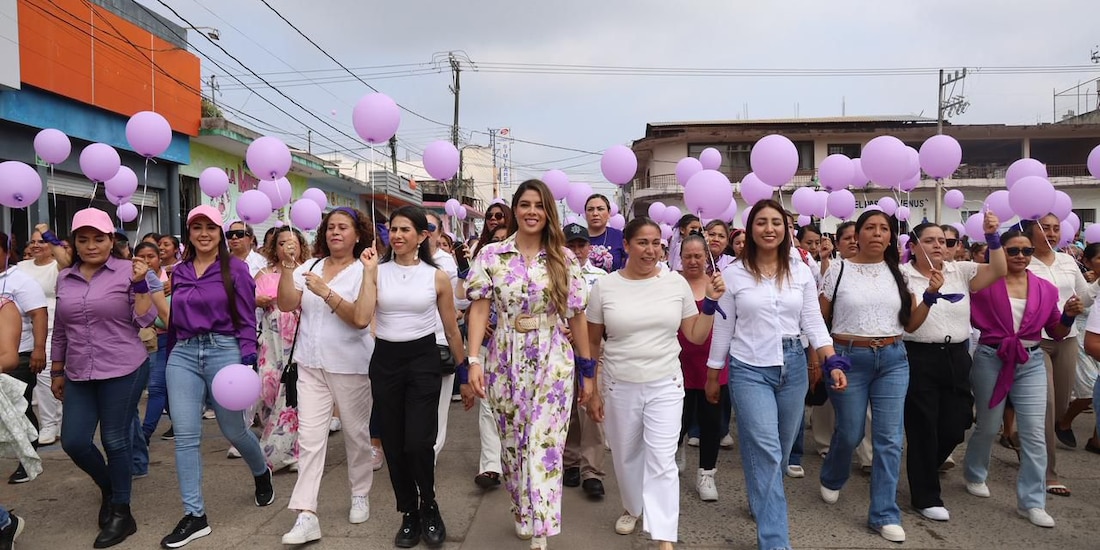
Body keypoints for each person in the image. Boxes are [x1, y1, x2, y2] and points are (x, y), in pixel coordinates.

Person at [465, 180, 593, 550]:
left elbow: (578, 315)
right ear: (514, 210)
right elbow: (479, 308)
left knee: (543, 441)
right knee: (512, 443)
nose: (532, 211)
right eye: (524, 204)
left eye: (539, 204)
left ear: (548, 210)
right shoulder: (491, 255)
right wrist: (473, 360)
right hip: (503, 355)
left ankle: (542, 528)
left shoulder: (563, 259)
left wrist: (587, 371)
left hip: (552, 356)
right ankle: (522, 509)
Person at [708, 199, 844, 550]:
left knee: (780, 453)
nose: (769, 228)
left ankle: (760, 499)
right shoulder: (733, 275)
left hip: (794, 365)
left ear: (786, 230)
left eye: (777, 223)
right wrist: (713, 373)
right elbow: (724, 329)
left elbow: (812, 321)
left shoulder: (799, 271)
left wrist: (830, 360)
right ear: (750, 230)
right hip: (749, 367)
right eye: (761, 222)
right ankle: (775, 540)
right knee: (766, 450)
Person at [585, 217, 723, 550]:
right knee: (626, 455)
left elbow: (694, 334)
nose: (651, 250)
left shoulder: (675, 283)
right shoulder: (605, 286)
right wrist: (591, 389)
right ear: (627, 246)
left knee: (661, 460)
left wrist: (712, 305)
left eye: (656, 243)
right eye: (643, 243)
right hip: (620, 384)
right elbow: (591, 344)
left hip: (665, 384)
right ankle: (632, 507)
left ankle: (663, 535)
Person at [818, 210, 941, 543]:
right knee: (851, 431)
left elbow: (911, 324)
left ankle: (884, 513)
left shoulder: (899, 273)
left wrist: (930, 296)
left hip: (893, 360)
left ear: (891, 237)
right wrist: (822, 360)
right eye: (869, 228)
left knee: (889, 439)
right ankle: (832, 474)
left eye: (883, 229)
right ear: (856, 235)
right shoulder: (838, 270)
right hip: (848, 359)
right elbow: (818, 320)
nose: (876, 234)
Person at [160, 205, 272, 549]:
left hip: (224, 351)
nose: (204, 233)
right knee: (186, 435)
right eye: (197, 227)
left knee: (233, 429)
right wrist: (170, 358)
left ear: (220, 233)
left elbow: (243, 316)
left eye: (211, 227)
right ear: (189, 234)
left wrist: (247, 358)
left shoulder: (235, 269)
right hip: (183, 354)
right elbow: (174, 322)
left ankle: (261, 471)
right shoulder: (177, 272)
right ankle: (195, 515)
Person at [51, 208, 157, 548]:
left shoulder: (130, 271)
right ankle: (112, 489)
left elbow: (145, 319)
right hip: (79, 371)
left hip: (124, 367)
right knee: (75, 441)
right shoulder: (65, 277)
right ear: (74, 243)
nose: (91, 245)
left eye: (99, 238)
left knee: (115, 439)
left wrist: (141, 283)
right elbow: (60, 329)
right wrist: (56, 368)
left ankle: (122, 513)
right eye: (83, 239)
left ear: (112, 240)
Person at [965, 230, 1082, 528]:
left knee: (1033, 432)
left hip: (1030, 360)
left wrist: (1068, 316)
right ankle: (975, 472)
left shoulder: (1046, 288)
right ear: (1001, 252)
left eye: (1026, 251)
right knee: (989, 425)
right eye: (1013, 251)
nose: (1020, 256)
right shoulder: (983, 283)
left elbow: (1056, 332)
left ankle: (1032, 501)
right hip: (992, 357)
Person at [276, 209, 378, 545]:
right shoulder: (312, 266)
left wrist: (325, 292)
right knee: (309, 439)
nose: (335, 232)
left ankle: (360, 492)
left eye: (343, 227)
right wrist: (289, 268)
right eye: (330, 227)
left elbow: (360, 319)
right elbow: (287, 303)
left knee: (356, 434)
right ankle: (306, 514)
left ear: (358, 234)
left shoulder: (364, 269)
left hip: (351, 365)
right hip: (309, 364)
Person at [901, 213, 1006, 523]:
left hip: (957, 355)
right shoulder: (903, 276)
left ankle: (922, 468)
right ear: (914, 245)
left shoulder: (960, 270)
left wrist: (992, 236)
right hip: (919, 355)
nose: (939, 246)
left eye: (944, 241)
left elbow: (999, 269)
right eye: (930, 240)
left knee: (956, 423)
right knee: (923, 427)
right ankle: (925, 495)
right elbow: (908, 321)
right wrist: (930, 295)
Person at [370, 206, 466, 549]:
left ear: (422, 236)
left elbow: (453, 330)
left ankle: (430, 505)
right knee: (394, 444)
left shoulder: (436, 276)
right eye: (392, 229)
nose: (396, 235)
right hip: (385, 361)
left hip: (424, 360)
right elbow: (362, 315)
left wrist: (465, 373)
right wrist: (366, 275)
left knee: (418, 442)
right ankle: (408, 513)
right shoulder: (376, 272)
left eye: (404, 230)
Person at [1024, 215, 1093, 498]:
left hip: (1067, 339)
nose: (1051, 233)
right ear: (1031, 232)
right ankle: (1047, 472)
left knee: (1062, 404)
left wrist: (1081, 299)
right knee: (1048, 404)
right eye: (1044, 229)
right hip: (1036, 340)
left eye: (1055, 228)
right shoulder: (1022, 259)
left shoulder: (1067, 261)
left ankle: (1029, 441)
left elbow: (1086, 296)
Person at [674, 234, 731, 502]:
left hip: (713, 365)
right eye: (688, 256)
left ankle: (706, 472)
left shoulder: (719, 285)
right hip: (678, 364)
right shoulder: (672, 284)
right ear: (680, 257)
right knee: (679, 420)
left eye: (699, 256)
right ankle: (677, 449)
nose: (693, 261)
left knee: (711, 422)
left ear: (707, 258)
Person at [468, 205, 516, 491]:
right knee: (488, 406)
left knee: (517, 408)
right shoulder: (481, 258)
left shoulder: (527, 262)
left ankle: (517, 462)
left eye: (501, 218)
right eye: (491, 217)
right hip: (488, 345)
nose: (495, 222)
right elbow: (470, 299)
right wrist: (479, 323)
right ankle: (490, 467)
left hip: (524, 347)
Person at [254, 227, 307, 473]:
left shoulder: (307, 270)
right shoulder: (263, 273)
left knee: (293, 393)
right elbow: (248, 299)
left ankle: (291, 452)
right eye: (282, 242)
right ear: (274, 248)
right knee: (268, 388)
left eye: (292, 242)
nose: (287, 246)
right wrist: (258, 300)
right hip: (270, 338)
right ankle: (272, 442)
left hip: (297, 337)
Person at [562, 223, 609, 498]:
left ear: (588, 247)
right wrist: (562, 329)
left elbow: (604, 314)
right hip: (559, 346)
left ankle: (592, 469)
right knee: (566, 407)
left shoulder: (601, 277)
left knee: (591, 406)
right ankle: (570, 462)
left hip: (591, 347)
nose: (577, 251)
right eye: (572, 245)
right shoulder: (553, 271)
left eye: (581, 245)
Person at [0, 232, 48, 484]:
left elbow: (39, 314)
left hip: (19, 353)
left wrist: (39, 349)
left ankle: (28, 456)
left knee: (19, 406)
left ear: (6, 251)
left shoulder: (20, 280)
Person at [19, 226, 63, 447]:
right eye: (32, 241)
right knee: (35, 380)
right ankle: (50, 421)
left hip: (55, 327)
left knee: (47, 376)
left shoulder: (58, 266)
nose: (36, 245)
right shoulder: (21, 267)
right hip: (25, 329)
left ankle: (51, 424)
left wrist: (49, 234)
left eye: (41, 242)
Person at [1061, 242, 1100, 452]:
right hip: (1082, 340)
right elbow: (1080, 304)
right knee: (1087, 390)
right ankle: (1064, 421)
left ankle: (1096, 440)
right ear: (1086, 261)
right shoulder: (1076, 280)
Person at [134, 243, 173, 443]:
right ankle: (177, 421)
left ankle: (145, 434)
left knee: (157, 386)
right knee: (160, 386)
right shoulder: (131, 279)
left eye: (151, 256)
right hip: (141, 340)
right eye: (142, 257)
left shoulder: (172, 278)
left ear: (160, 258)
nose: (147, 261)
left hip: (167, 338)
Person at [584, 194, 625, 272]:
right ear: (585, 214)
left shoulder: (618, 236)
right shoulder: (577, 237)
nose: (595, 213)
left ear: (609, 213)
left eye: (600, 209)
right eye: (590, 209)